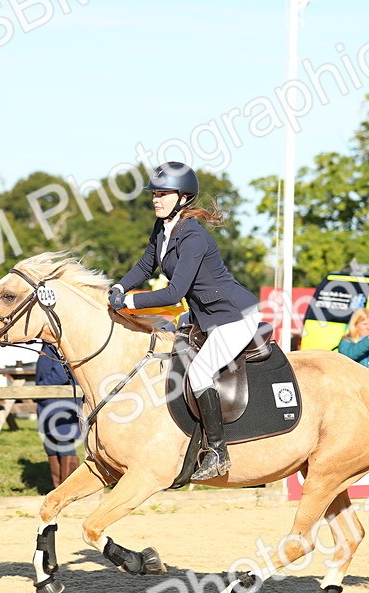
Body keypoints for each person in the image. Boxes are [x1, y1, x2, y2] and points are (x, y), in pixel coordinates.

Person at [109, 161, 260, 480]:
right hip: (204, 317)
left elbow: (174, 292)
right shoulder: (162, 229)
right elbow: (144, 266)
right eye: (155, 193)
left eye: (163, 193)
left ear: (183, 197)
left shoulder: (192, 236)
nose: (155, 199)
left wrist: (131, 301)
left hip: (233, 316)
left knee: (201, 371)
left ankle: (218, 451)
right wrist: (120, 286)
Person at [34, 343, 82, 488]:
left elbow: (62, 373)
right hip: (48, 402)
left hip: (60, 403)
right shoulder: (47, 346)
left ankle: (69, 489)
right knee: (51, 446)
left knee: (63, 443)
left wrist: (41, 388)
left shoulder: (59, 346)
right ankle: (58, 488)